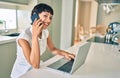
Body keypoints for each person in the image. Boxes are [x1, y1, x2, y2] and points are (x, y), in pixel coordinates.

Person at [10, 3, 75, 78]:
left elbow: (52, 49)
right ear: (35, 16)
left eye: (50, 18)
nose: (48, 20)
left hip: (36, 72)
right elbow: (35, 64)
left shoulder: (45, 32)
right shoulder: (23, 38)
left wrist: (65, 53)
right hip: (22, 74)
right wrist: (35, 36)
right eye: (45, 16)